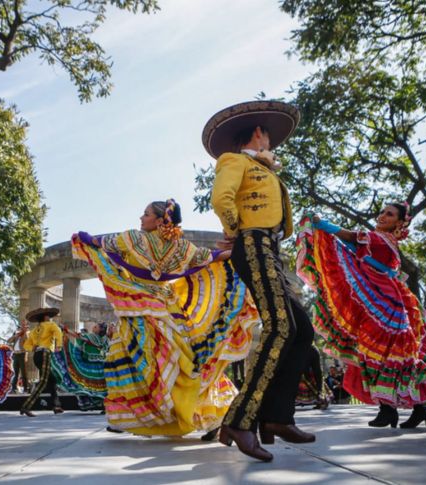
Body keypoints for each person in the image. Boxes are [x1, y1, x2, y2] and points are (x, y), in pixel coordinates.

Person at [72, 198, 258, 440]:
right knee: (186, 363)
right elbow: (212, 256)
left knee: (131, 357)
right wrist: (244, 250)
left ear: (160, 221)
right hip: (168, 309)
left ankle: (136, 417)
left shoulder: (132, 238)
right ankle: (211, 416)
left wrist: (84, 238)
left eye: (146, 213)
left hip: (138, 308)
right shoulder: (181, 247)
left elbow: (100, 242)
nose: (141, 217)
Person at [204, 100, 316, 463]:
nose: (272, 142)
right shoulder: (234, 161)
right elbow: (220, 199)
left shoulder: (262, 166)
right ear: (257, 134)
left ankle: (276, 418)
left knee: (301, 328)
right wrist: (239, 232)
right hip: (253, 242)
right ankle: (240, 420)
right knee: (280, 326)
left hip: (269, 246)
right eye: (268, 135)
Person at [296, 202, 426, 430]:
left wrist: (321, 224)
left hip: (387, 300)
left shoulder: (381, 239)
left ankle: (396, 410)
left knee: (385, 352)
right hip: (379, 295)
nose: (382, 216)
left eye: (390, 214)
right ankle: (405, 409)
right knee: (379, 351)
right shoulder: (378, 239)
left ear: (399, 222)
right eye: (382, 212)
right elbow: (350, 243)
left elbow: (349, 236)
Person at [20, 307, 65, 416]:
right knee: (44, 381)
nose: (50, 318)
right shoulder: (51, 325)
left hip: (37, 355)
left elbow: (26, 345)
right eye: (49, 316)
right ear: (45, 317)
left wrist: (33, 348)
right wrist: (59, 345)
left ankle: (56, 405)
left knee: (52, 379)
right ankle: (26, 406)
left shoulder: (35, 330)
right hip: (45, 354)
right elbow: (58, 332)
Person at [7, 321, 30, 393]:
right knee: (15, 372)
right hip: (15, 355)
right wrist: (16, 335)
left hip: (23, 354)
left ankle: (26, 388)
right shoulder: (17, 335)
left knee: (24, 372)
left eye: (24, 327)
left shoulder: (27, 334)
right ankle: (14, 388)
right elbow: (9, 341)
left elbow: (28, 340)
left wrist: (24, 332)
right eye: (21, 327)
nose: (21, 328)